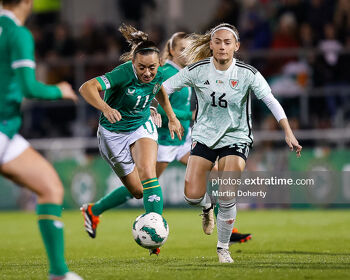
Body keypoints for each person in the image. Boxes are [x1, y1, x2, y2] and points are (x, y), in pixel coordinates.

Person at [162, 23, 302, 263]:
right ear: (211, 45)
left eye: (228, 42)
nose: (222, 46)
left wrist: (287, 131)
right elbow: (162, 88)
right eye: (218, 42)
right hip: (204, 136)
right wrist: (162, 112)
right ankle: (206, 205)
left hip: (236, 137)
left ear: (236, 46)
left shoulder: (248, 73)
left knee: (227, 193)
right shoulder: (197, 70)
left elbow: (271, 100)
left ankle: (223, 248)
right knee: (192, 196)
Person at [79, 24, 183, 254]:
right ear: (134, 64)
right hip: (113, 134)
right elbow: (87, 87)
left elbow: (159, 89)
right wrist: (105, 108)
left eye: (152, 68)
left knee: (148, 172)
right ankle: (92, 211)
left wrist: (172, 117)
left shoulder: (161, 73)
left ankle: (155, 236)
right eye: (142, 68)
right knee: (137, 191)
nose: (147, 73)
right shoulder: (123, 73)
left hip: (141, 125)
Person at [0, 1, 82, 279]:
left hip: (7, 135)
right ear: (27, 2)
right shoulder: (18, 33)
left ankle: (58, 273)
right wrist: (59, 90)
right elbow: (29, 87)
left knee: (50, 187)